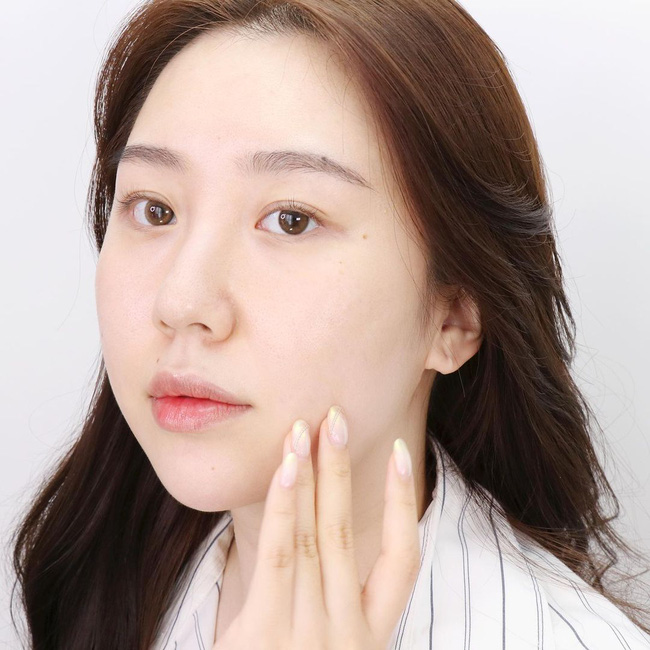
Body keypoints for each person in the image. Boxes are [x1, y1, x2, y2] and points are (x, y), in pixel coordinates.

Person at [9, 0, 650, 648]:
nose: (181, 301)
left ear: (454, 316)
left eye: (292, 220)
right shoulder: (102, 582)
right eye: (155, 209)